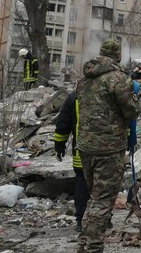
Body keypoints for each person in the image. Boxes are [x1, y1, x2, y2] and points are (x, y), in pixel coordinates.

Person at [76, 39, 141, 253]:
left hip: (86, 146)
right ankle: (93, 246)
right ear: (118, 56)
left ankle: (84, 241)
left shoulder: (83, 80)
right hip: (109, 148)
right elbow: (132, 110)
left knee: (94, 196)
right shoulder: (119, 79)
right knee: (103, 199)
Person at [54, 91, 90, 231]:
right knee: (104, 188)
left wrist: (59, 145)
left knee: (82, 183)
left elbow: (63, 124)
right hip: (105, 153)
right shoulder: (111, 93)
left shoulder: (75, 96)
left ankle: (81, 220)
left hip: (81, 152)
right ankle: (104, 219)